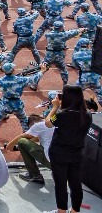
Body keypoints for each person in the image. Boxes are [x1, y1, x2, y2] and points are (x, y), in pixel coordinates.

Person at [45, 85, 94, 213]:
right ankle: (75, 210)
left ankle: (61, 210)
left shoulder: (62, 115)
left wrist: (55, 107)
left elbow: (48, 123)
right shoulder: (87, 115)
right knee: (76, 184)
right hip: (77, 154)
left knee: (61, 184)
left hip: (59, 154)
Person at [5, 110, 53, 186]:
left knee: (21, 141)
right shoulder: (55, 121)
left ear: (32, 124)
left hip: (53, 163)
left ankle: (35, 175)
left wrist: (9, 146)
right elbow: (37, 138)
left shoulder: (38, 125)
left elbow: (22, 137)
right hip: (69, 162)